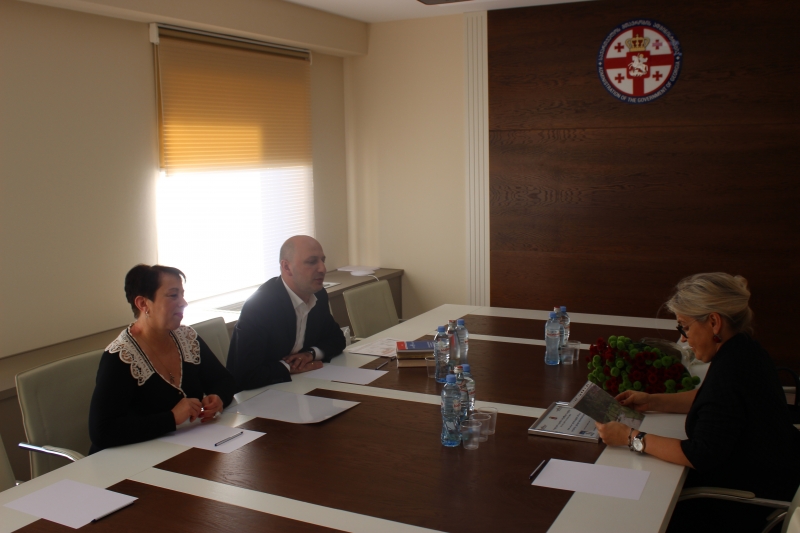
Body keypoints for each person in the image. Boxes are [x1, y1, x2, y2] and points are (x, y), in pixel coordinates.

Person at [595, 273, 800, 532]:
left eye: (685, 327)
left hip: (744, 502)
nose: (683, 338)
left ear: (714, 322)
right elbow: (712, 398)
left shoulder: (731, 372)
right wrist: (653, 401)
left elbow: (699, 454)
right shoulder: (743, 349)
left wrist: (630, 437)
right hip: (772, 474)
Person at [89, 265, 237, 453]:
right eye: (173, 295)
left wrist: (218, 399)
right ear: (143, 304)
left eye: (182, 294)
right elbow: (102, 431)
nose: (183, 303)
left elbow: (224, 381)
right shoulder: (122, 356)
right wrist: (171, 418)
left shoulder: (186, 338)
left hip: (186, 448)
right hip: (134, 459)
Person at [226, 235, 346, 390]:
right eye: (312, 262)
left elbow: (337, 339)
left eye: (322, 260)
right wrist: (290, 367)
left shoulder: (318, 294)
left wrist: (310, 354)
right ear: (287, 267)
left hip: (302, 385)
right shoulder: (260, 306)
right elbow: (244, 375)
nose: (322, 268)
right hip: (261, 395)